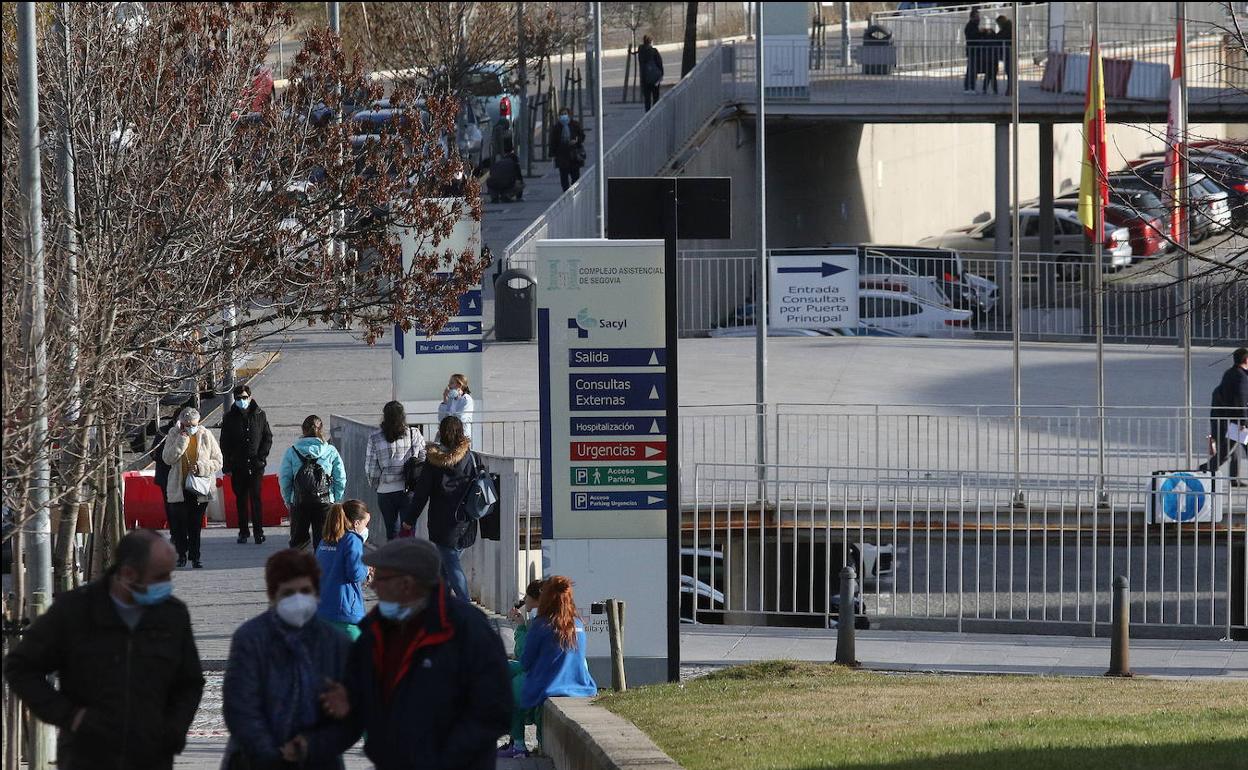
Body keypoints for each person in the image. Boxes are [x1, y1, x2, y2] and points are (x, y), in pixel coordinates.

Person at [4, 530, 205, 770]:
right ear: (129, 574)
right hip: (88, 755)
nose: (167, 585)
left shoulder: (173, 614)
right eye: (160, 577)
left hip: (151, 756)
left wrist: (174, 730)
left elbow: (190, 682)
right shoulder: (76, 610)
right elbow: (21, 667)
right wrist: (71, 717)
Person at [319, 538, 512, 770]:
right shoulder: (375, 631)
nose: (372, 585)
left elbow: (495, 710)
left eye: (380, 578)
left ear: (407, 584)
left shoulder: (467, 629)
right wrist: (312, 745)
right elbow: (357, 705)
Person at [223, 549, 353, 770]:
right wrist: (273, 754)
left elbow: (351, 714)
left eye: (305, 591)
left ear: (317, 594)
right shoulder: (250, 638)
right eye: (288, 593)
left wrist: (310, 746)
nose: (298, 600)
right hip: (254, 761)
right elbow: (240, 707)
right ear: (273, 596)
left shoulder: (336, 643)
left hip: (319, 760)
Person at [518, 576, 598, 750]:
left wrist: (521, 629)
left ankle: (517, 741)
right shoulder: (578, 624)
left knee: (511, 679)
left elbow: (525, 661)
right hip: (581, 685)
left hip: (550, 686)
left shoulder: (541, 625)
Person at [404, 416, 477, 600]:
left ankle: (465, 608)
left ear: (441, 433)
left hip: (442, 523)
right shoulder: (471, 457)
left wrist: (409, 520)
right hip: (466, 521)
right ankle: (442, 606)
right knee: (446, 566)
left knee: (451, 565)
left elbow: (421, 495)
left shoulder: (433, 461)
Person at [162, 406, 223, 569]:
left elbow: (218, 460)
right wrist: (182, 440)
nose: (190, 428)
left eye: (193, 424)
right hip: (179, 488)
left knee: (195, 525)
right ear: (181, 424)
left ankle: (195, 556)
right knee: (179, 525)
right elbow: (168, 458)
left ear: (199, 422)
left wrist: (202, 467)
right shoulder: (174, 435)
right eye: (186, 424)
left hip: (199, 488)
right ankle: (181, 555)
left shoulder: (205, 435)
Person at [281, 415, 347, 551]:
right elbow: (340, 477)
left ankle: (300, 569)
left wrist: (288, 499)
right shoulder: (330, 450)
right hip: (324, 500)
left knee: (298, 542)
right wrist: (336, 497)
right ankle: (321, 568)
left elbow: (285, 479)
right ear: (321, 430)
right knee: (324, 541)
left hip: (299, 501)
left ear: (303, 431)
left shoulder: (292, 451)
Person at [220, 383, 274, 545]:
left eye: (244, 398)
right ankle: (243, 531)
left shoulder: (259, 414)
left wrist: (261, 457)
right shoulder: (229, 417)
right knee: (241, 499)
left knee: (256, 498)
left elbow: (267, 437)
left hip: (256, 465)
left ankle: (259, 532)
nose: (241, 401)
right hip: (238, 465)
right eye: (238, 399)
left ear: (250, 398)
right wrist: (227, 465)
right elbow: (225, 442)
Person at [498, 579, 545, 759]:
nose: (524, 600)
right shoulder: (542, 617)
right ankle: (514, 740)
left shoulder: (540, 620)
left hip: (540, 671)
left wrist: (520, 628)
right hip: (542, 668)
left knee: (512, 686)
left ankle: (518, 745)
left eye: (527, 596)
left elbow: (524, 655)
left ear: (536, 598)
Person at [366, 401, 427, 540]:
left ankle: (392, 560)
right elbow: (424, 457)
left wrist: (377, 485)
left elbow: (371, 468)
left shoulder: (375, 437)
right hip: (408, 489)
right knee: (408, 532)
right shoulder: (414, 433)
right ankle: (408, 560)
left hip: (385, 491)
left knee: (391, 532)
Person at [316, 500, 372, 640]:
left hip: (322, 610)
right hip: (345, 613)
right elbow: (355, 573)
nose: (366, 528)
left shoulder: (325, 540)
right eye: (366, 523)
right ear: (356, 523)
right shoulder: (352, 539)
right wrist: (367, 570)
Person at [1200, 347, 1248, 484]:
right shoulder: (1240, 376)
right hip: (1237, 422)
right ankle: (1204, 470)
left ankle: (1208, 471)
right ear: (1246, 359)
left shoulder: (1232, 373)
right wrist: (1243, 421)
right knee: (1226, 453)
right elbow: (1241, 399)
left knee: (1228, 452)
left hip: (1231, 420)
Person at [548, 106, 586, 192]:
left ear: (569, 115)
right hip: (562, 156)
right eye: (561, 114)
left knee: (575, 176)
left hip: (574, 155)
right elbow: (552, 142)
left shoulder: (575, 124)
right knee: (564, 176)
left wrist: (576, 140)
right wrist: (552, 155)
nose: (563, 116)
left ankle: (575, 192)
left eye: (565, 114)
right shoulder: (556, 127)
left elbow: (582, 136)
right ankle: (566, 193)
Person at [439, 373, 475, 444]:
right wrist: (445, 400)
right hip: (448, 435)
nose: (449, 386)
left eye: (451, 383)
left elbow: (461, 417)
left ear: (459, 385)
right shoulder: (450, 399)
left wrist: (449, 417)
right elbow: (441, 418)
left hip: (461, 434)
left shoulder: (466, 399)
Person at [637, 34, 664, 112]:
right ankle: (655, 113)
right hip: (655, 79)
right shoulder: (654, 51)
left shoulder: (641, 51)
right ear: (651, 41)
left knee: (647, 99)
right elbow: (659, 63)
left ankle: (647, 114)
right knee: (655, 97)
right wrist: (661, 74)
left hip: (645, 78)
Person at [963, 8, 982, 94]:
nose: (978, 18)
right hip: (972, 51)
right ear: (972, 17)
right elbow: (973, 37)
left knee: (973, 70)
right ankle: (969, 87)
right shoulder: (970, 26)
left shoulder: (974, 26)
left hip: (975, 51)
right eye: (977, 17)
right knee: (971, 70)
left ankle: (971, 87)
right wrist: (981, 33)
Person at [995, 15, 1014, 96]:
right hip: (1009, 52)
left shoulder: (1007, 28)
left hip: (1009, 52)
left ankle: (1010, 90)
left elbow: (1001, 36)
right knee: (1009, 72)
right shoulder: (1009, 27)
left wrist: (993, 34)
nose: (998, 26)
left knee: (1010, 72)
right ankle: (1010, 90)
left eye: (998, 24)